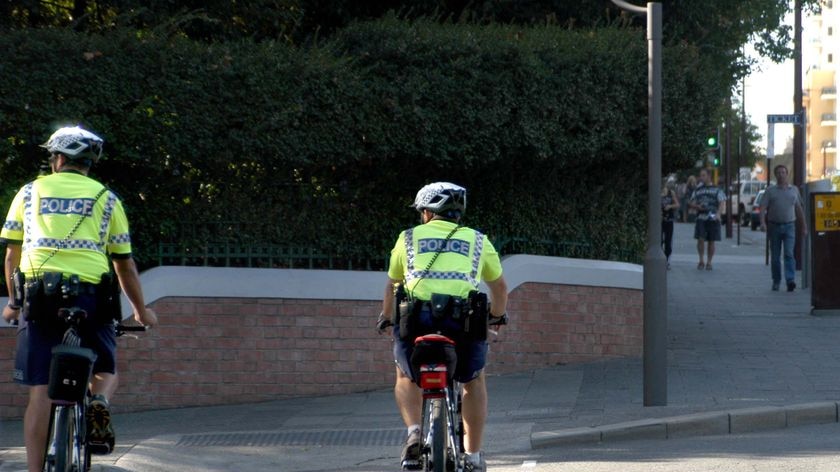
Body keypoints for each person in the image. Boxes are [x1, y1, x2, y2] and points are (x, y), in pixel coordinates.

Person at [0, 126, 157, 472]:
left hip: (39, 296)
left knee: (40, 391)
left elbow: (12, 256)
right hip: (91, 296)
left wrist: (13, 302)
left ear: (56, 159)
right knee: (104, 366)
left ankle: (35, 470)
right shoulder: (106, 198)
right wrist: (141, 311)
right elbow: (124, 264)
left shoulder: (28, 193)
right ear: (89, 162)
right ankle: (99, 400)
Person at [378, 182, 508, 472]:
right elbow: (499, 287)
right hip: (464, 322)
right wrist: (497, 316)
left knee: (404, 374)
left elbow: (392, 283)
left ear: (426, 212)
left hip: (415, 321)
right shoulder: (477, 240)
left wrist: (386, 318)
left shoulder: (408, 238)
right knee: (474, 380)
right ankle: (473, 457)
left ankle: (413, 432)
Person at [760, 164, 806, 291]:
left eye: (783, 172)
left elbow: (799, 209)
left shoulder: (794, 190)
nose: (781, 175)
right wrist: (762, 222)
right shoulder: (770, 191)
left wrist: (804, 226)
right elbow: (763, 207)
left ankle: (790, 280)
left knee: (789, 254)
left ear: (787, 174)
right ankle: (776, 280)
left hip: (790, 225)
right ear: (776, 175)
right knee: (775, 256)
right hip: (774, 226)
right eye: (779, 173)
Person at [688, 168, 725, 270]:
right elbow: (691, 202)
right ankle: (701, 260)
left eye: (703, 175)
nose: (701, 178)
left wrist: (718, 214)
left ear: (709, 176)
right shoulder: (698, 190)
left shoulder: (717, 189)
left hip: (712, 217)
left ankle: (709, 262)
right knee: (700, 239)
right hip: (701, 217)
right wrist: (696, 207)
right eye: (700, 175)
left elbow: (722, 202)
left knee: (711, 240)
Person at [661, 179, 680, 269]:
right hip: (659, 221)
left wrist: (670, 206)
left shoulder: (670, 193)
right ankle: (660, 260)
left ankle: (667, 260)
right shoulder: (657, 192)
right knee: (659, 241)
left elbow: (677, 204)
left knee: (668, 241)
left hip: (669, 219)